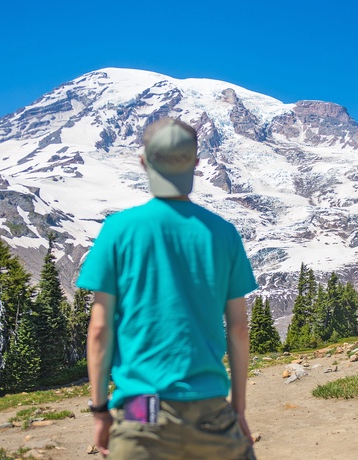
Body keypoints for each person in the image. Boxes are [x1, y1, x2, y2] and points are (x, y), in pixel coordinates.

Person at [77, 117, 258, 459]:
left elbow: (100, 329)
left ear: (144, 162)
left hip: (141, 407)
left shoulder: (118, 230)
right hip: (209, 405)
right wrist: (238, 408)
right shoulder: (223, 233)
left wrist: (100, 411)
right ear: (197, 164)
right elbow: (238, 328)